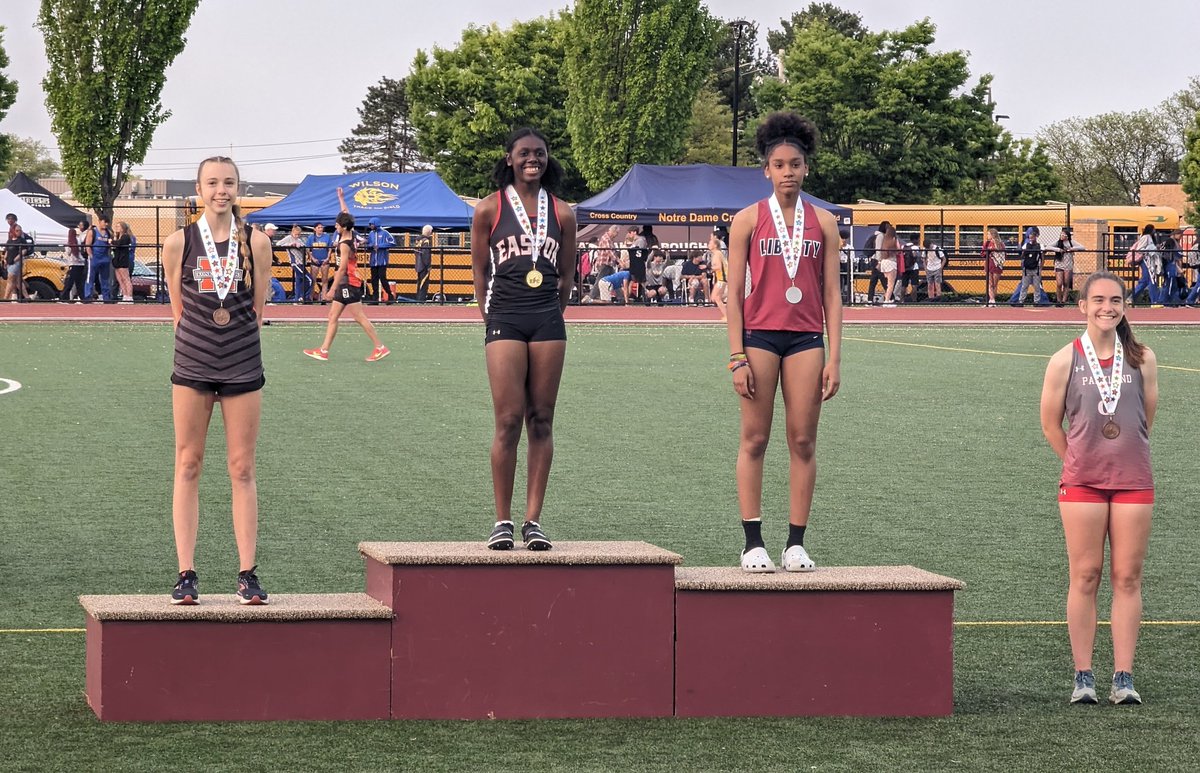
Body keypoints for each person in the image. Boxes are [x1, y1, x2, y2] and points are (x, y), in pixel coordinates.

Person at [726, 111, 842, 574]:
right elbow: (733, 294)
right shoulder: (748, 220)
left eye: (795, 163)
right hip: (758, 337)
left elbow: (833, 294)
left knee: (803, 440)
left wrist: (835, 356)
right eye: (779, 164)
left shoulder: (825, 223)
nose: (788, 171)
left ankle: (795, 542)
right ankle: (753, 541)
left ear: (806, 167)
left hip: (806, 340)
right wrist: (736, 356)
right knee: (754, 438)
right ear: (767, 170)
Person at [1039, 271, 1157, 705]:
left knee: (1128, 577)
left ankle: (1123, 676)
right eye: (1099, 300)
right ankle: (1083, 675)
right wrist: (1077, 459)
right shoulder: (1063, 359)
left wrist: (1121, 456)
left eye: (1116, 300)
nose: (1107, 307)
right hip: (1082, 483)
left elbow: (1145, 420)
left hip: (1133, 481)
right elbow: (1050, 423)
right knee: (1085, 575)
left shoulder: (1143, 357)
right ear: (1083, 306)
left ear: (1125, 306)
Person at [162, 156, 274, 605]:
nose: (220, 190)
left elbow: (259, 309)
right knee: (188, 463)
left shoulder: (258, 242)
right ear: (199, 188)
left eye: (228, 182)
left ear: (238, 188)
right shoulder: (179, 242)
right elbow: (176, 308)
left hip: (243, 362)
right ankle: (186, 572)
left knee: (242, 468)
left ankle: (247, 572)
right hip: (192, 362)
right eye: (212, 183)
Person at [470, 126, 576, 552]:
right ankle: (502, 520)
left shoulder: (564, 213)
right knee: (508, 419)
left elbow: (567, 277)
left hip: (547, 320)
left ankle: (533, 520)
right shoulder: (488, 209)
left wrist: (554, 311)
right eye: (525, 153)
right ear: (510, 158)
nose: (533, 159)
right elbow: (479, 270)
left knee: (542, 419)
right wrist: (487, 312)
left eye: (540, 153)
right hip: (505, 319)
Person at [303, 189, 390, 362]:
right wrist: (341, 198)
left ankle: (380, 347)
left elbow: (342, 268)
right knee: (332, 316)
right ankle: (324, 350)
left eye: (337, 225)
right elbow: (346, 214)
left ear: (343, 227)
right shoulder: (350, 232)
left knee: (359, 317)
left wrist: (330, 289)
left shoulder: (344, 244)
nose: (335, 227)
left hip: (347, 282)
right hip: (346, 283)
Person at [1010, 227, 1051, 306]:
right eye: (1030, 238)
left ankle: (1036, 301)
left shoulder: (1040, 246)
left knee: (1037, 286)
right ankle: (1021, 301)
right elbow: (1022, 256)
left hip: (1036, 268)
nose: (1031, 239)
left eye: (1032, 238)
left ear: (1036, 237)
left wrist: (1041, 267)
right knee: (1024, 286)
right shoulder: (1026, 245)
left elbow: (1042, 257)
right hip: (1027, 268)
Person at [364, 217, 395, 303]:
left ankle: (390, 295)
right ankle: (375, 298)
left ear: (376, 224)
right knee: (374, 279)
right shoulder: (370, 233)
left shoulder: (385, 233)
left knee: (382, 278)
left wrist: (380, 246)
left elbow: (392, 242)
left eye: (372, 224)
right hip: (373, 261)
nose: (370, 226)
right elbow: (369, 244)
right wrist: (370, 246)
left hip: (382, 260)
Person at [83, 215, 114, 303]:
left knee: (105, 279)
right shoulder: (93, 232)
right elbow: (87, 245)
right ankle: (88, 296)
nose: (106, 224)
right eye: (105, 222)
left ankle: (106, 298)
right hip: (94, 257)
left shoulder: (109, 232)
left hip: (104, 258)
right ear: (100, 221)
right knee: (90, 278)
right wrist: (91, 256)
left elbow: (111, 244)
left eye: (107, 222)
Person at [276, 224, 310, 302]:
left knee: (298, 281)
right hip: (295, 262)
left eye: (298, 234)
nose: (297, 236)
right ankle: (303, 296)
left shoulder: (299, 240)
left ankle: (297, 298)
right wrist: (290, 245)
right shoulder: (288, 238)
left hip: (301, 262)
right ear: (292, 232)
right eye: (295, 234)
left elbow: (304, 248)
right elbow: (278, 244)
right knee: (308, 279)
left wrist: (301, 247)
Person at [1125, 225, 1157, 306]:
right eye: (1154, 229)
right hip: (1146, 260)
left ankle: (1131, 297)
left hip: (1147, 260)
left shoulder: (1147, 237)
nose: (1155, 231)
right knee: (1151, 279)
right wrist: (1149, 250)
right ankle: (1154, 301)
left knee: (1145, 281)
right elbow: (1140, 248)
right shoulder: (1146, 237)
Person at [1052, 227, 1083, 307]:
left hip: (1068, 264)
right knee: (1059, 283)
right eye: (1061, 234)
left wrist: (1072, 248)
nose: (1062, 236)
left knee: (1066, 283)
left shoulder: (1071, 242)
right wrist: (1058, 250)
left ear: (1067, 236)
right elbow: (1047, 247)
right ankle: (1058, 300)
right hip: (1059, 264)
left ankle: (1063, 301)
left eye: (1064, 234)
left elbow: (1082, 247)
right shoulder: (1058, 242)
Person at [61, 218, 88, 302]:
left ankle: (64, 297)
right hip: (81, 263)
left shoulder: (69, 241)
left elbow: (68, 252)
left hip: (73, 263)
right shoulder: (79, 239)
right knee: (78, 282)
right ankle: (82, 297)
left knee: (70, 281)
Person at [306, 222, 333, 301]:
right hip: (315, 260)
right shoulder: (311, 237)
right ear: (315, 229)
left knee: (324, 280)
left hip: (324, 260)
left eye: (321, 227)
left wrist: (327, 258)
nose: (320, 229)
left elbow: (330, 248)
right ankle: (310, 297)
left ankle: (324, 297)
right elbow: (308, 248)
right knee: (313, 280)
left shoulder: (327, 237)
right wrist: (312, 258)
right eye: (319, 227)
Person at [111, 221, 134, 302]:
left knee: (126, 278)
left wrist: (111, 241)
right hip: (117, 260)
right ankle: (125, 295)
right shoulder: (117, 237)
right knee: (120, 279)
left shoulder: (125, 237)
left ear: (123, 228)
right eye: (116, 226)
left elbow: (119, 244)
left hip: (123, 260)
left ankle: (130, 296)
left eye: (118, 226)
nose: (117, 228)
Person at [709, 226, 729, 320]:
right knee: (714, 298)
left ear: (715, 245)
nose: (708, 244)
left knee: (716, 298)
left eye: (710, 243)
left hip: (722, 278)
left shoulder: (717, 254)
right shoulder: (717, 253)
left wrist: (709, 268)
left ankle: (727, 316)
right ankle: (730, 296)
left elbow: (718, 267)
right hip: (721, 278)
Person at [877, 223, 899, 306]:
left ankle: (887, 299)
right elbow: (898, 249)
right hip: (891, 262)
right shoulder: (893, 240)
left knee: (888, 283)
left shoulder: (885, 241)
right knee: (891, 284)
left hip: (884, 262)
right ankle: (886, 301)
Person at [983, 227, 1006, 306]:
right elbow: (983, 254)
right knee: (990, 283)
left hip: (997, 265)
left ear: (993, 235)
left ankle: (993, 299)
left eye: (988, 234)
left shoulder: (1000, 244)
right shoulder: (987, 243)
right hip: (989, 264)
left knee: (995, 284)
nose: (987, 236)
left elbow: (1003, 254)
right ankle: (991, 300)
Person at [414, 224, 433, 302]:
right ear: (428, 232)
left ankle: (418, 298)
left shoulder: (417, 240)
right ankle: (421, 299)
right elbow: (426, 254)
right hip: (423, 265)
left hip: (418, 264)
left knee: (419, 282)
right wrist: (428, 265)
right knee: (424, 282)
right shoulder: (426, 241)